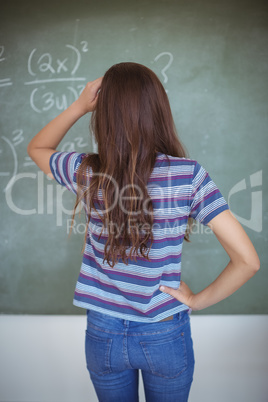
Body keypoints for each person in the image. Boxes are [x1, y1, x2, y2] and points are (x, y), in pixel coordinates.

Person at [27, 62, 260, 402]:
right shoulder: (188, 175)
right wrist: (196, 300)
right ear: (157, 109)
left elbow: (37, 148)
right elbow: (248, 262)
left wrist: (80, 105)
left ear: (103, 115)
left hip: (103, 332)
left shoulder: (88, 172)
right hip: (163, 331)